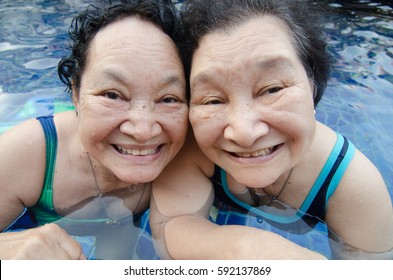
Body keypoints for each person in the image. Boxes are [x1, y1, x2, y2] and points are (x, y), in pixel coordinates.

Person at [150, 0, 393, 259]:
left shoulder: (352, 185)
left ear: (312, 84)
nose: (244, 133)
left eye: (273, 89)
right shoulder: (194, 146)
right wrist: (242, 249)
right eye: (213, 100)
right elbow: (170, 226)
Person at [0, 0, 188, 259]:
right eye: (112, 95)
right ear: (76, 92)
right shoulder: (25, 157)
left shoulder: (187, 157)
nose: (143, 130)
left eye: (169, 99)